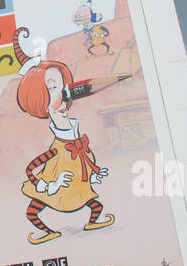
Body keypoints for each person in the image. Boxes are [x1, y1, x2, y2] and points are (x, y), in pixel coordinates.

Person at [12, 28, 115, 245]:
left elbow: (85, 160)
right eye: (51, 89)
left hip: (75, 181)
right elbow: (31, 168)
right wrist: (52, 184)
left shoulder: (77, 139)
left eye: (60, 86)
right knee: (33, 212)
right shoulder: (55, 151)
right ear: (39, 99)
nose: (61, 94)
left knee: (94, 204)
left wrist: (95, 174)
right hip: (55, 182)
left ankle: (93, 221)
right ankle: (49, 232)